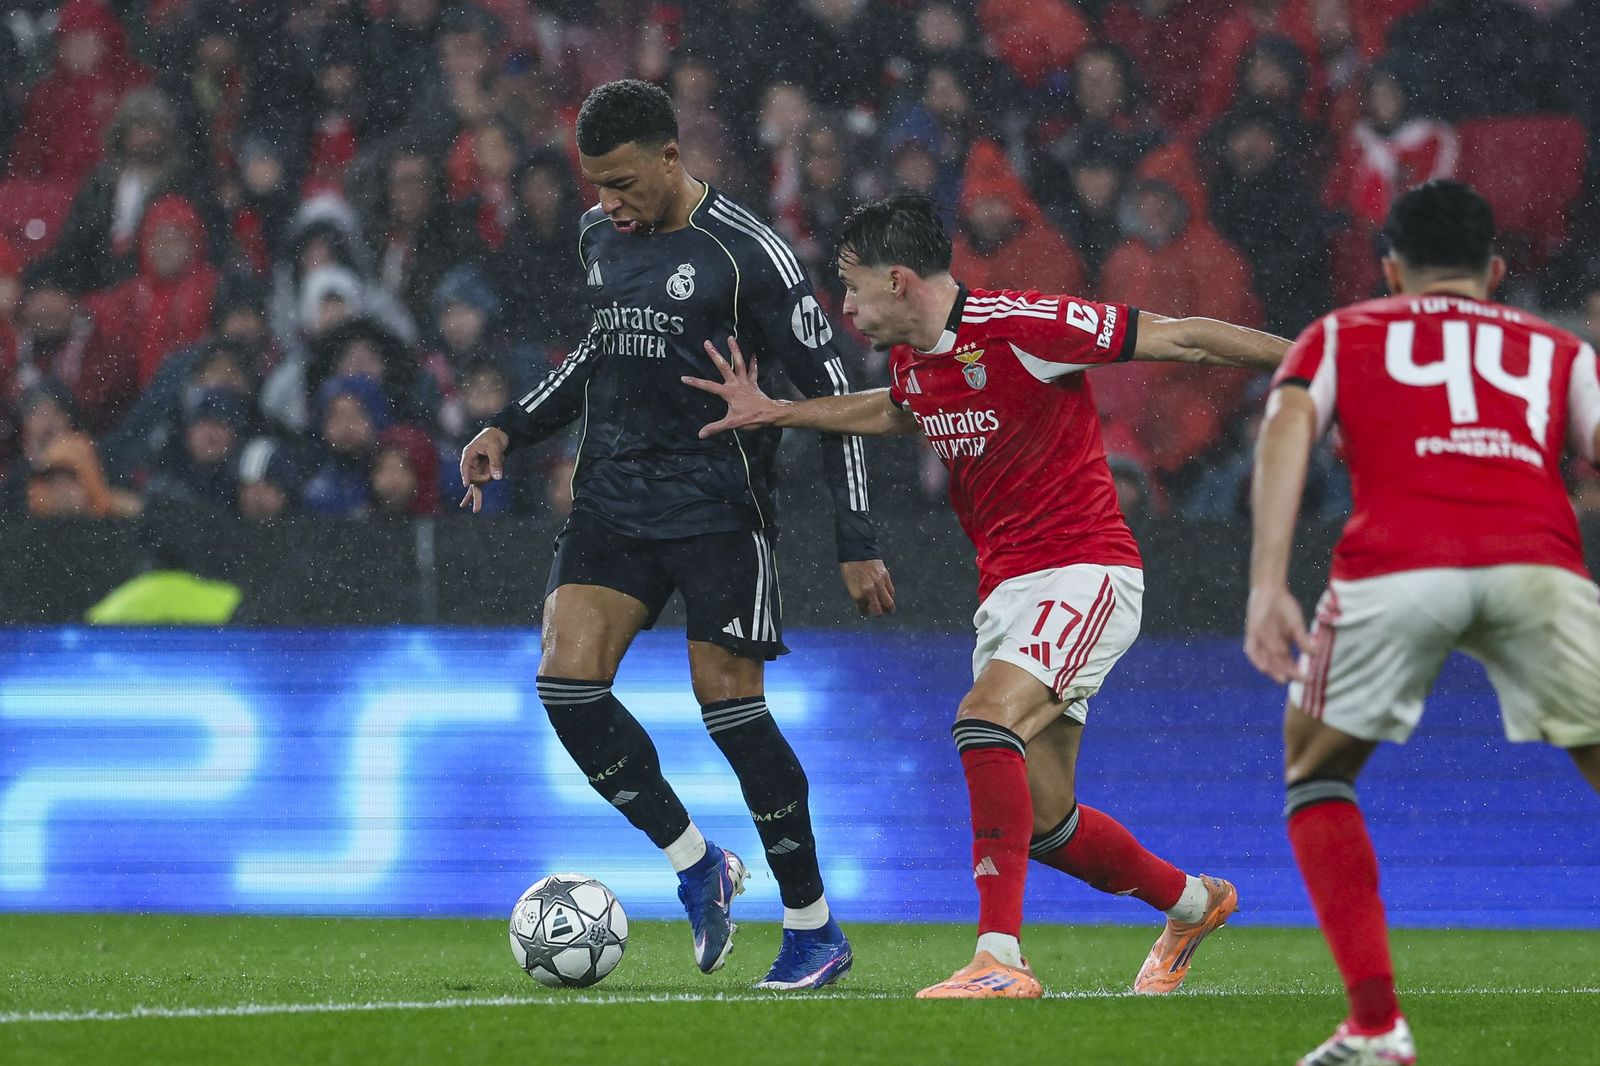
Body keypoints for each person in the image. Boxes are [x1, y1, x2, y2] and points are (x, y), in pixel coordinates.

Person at [685, 192, 1286, 999]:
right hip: (1006, 592)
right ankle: (1192, 902)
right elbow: (903, 412)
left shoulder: (1024, 323)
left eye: (855, 288)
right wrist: (784, 412)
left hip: (1086, 570)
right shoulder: (910, 360)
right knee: (1044, 822)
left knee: (983, 719)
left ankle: (999, 957)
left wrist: (1320, 359)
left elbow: (1185, 339)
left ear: (900, 280)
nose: (848, 307)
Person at [457, 80, 892, 991]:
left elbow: (842, 394)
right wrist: (510, 426)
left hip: (718, 506)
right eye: (596, 186)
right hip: (613, 498)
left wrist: (856, 537)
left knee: (729, 708)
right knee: (566, 685)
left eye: (622, 183)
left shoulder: (751, 257)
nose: (608, 203)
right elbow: (600, 349)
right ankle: (698, 862)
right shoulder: (598, 237)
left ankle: (813, 927)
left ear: (670, 156)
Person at [1244, 180, 1600, 1066]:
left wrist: (1266, 582)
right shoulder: (1561, 347)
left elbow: (1288, 425)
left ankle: (1375, 1028)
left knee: (1316, 771)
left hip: (1397, 563)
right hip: (1538, 564)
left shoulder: (1343, 331)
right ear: (1498, 270)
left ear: (1390, 268)